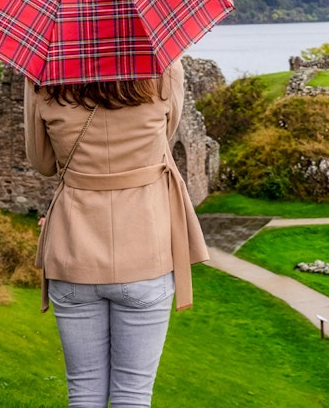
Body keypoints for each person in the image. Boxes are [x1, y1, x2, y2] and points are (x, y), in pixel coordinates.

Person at [24, 58, 209, 408]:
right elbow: (164, 138)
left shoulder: (42, 70)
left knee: (83, 393)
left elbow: (43, 162)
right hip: (146, 250)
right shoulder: (165, 65)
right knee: (134, 396)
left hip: (73, 251)